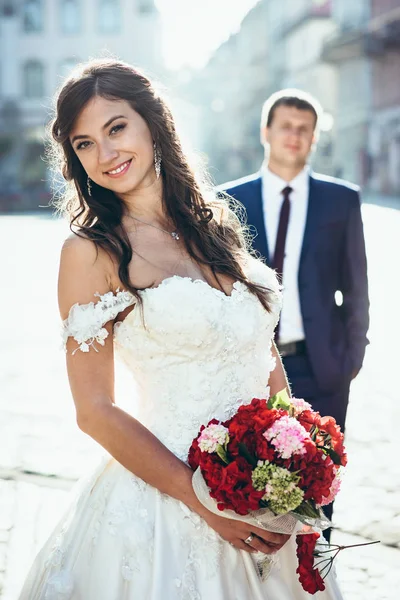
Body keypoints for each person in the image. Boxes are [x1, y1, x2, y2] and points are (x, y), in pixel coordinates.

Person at [18, 62, 343, 599]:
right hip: (164, 498)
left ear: (153, 123)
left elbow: (261, 353)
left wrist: (296, 454)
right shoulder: (91, 252)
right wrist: (203, 502)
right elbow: (94, 410)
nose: (105, 154)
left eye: (116, 128)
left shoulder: (215, 224)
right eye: (84, 144)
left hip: (264, 490)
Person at [222, 89, 369, 538]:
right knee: (250, 485)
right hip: (250, 369)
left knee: (318, 493)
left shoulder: (340, 201)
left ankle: (316, 579)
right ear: (265, 131)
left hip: (321, 366)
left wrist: (347, 364)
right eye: (286, 125)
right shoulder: (228, 200)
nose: (295, 135)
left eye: (305, 129)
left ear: (314, 138)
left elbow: (357, 290)